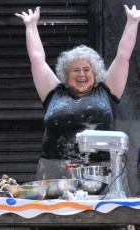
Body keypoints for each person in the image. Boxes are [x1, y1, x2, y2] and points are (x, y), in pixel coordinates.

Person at [15, 5, 140, 186]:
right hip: (53, 171)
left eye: (87, 69)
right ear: (66, 73)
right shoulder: (53, 92)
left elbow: (122, 57)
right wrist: (31, 25)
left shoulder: (106, 91)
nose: (81, 74)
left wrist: (133, 22)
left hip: (101, 171)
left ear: (95, 72)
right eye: (75, 70)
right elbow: (37, 59)